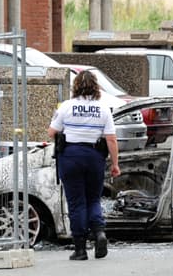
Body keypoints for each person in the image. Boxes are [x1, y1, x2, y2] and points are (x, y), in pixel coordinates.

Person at [48, 70, 121, 261]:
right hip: (94, 156)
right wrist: (115, 164)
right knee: (93, 199)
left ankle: (80, 249)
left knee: (77, 202)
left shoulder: (66, 106)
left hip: (71, 156)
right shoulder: (103, 108)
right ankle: (99, 234)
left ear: (76, 86)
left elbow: (52, 132)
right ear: (95, 86)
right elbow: (111, 139)